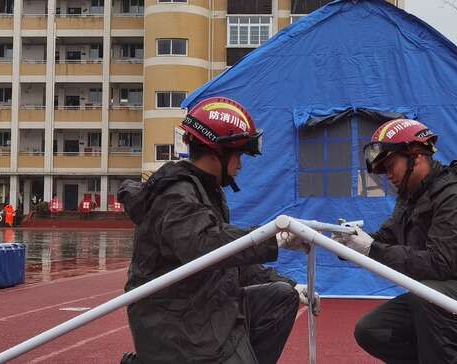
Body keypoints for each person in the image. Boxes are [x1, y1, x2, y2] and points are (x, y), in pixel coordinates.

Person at [118, 96, 314, 364]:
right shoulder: (175, 195)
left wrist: (292, 286)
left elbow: (228, 262)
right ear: (217, 153)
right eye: (239, 156)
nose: (241, 165)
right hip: (176, 323)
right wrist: (274, 238)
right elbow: (203, 245)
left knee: (281, 298)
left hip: (201, 305)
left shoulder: (204, 190)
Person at [333, 119, 457, 363]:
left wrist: (370, 248)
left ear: (416, 155)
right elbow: (384, 238)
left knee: (428, 295)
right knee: (372, 331)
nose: (387, 175)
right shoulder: (410, 198)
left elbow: (438, 264)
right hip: (435, 297)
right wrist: (345, 243)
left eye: (390, 164)